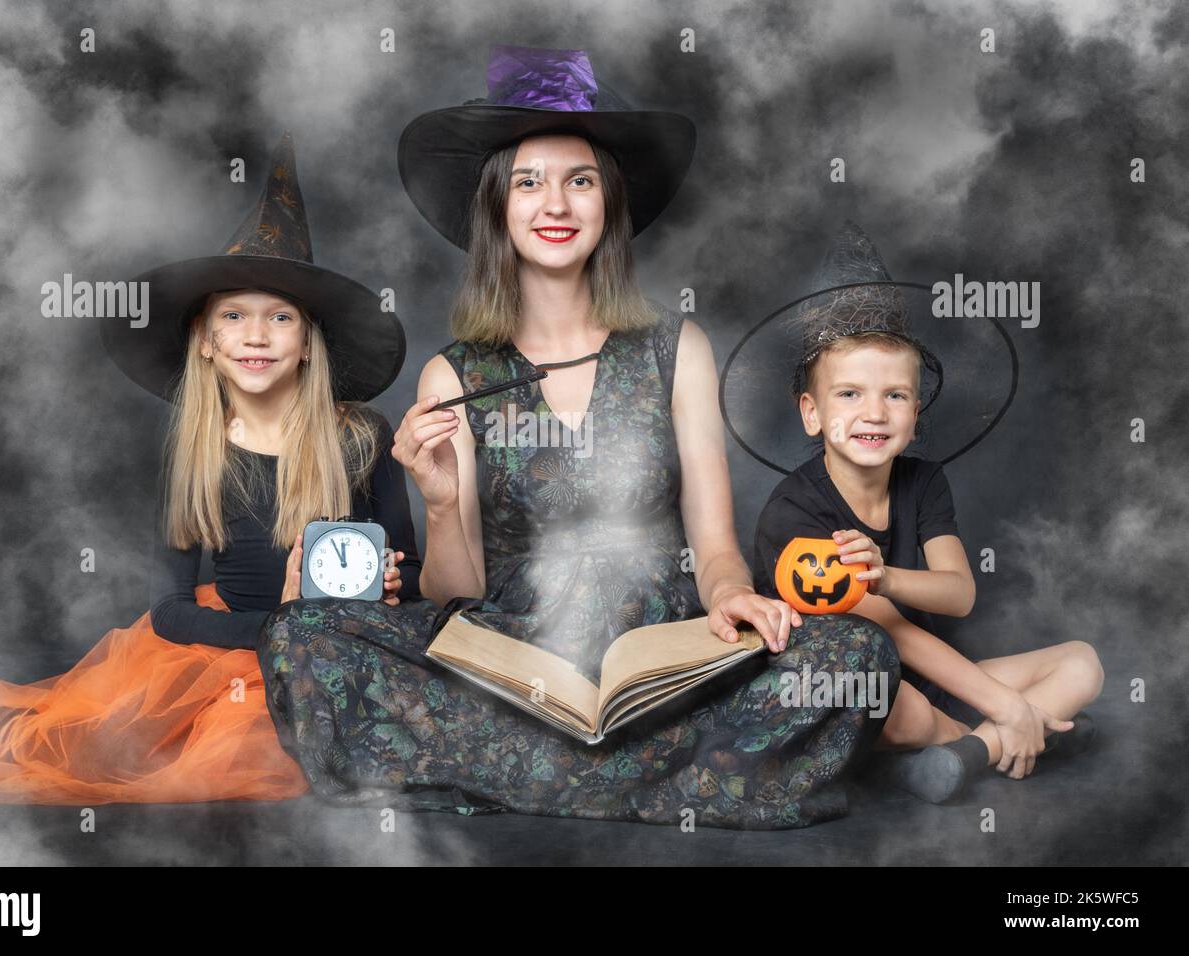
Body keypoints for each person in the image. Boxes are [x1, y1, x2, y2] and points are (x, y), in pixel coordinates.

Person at [257, 45, 901, 829]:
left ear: (609, 204)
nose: (554, 203)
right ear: (497, 207)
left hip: (664, 658)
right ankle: (676, 783)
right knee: (304, 635)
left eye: (580, 181)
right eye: (528, 182)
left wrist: (732, 594)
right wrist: (441, 497)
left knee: (852, 656)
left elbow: (716, 543)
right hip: (517, 663)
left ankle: (540, 779)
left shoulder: (677, 348)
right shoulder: (453, 375)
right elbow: (453, 596)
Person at [0, 132, 424, 804]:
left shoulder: (364, 438)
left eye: (280, 318)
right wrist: (277, 626)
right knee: (99, 744)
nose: (256, 337)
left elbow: (413, 575)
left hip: (341, 655)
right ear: (205, 341)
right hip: (232, 654)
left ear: (310, 345)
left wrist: (394, 583)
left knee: (349, 754)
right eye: (234, 316)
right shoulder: (199, 453)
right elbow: (170, 611)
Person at [751, 221, 1103, 804]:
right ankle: (1005, 737)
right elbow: (890, 630)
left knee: (1083, 663)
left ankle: (969, 755)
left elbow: (958, 593)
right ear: (811, 413)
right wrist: (1007, 705)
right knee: (902, 711)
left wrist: (886, 577)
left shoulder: (925, 480)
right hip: (854, 687)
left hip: (937, 675)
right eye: (850, 394)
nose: (875, 412)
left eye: (895, 395)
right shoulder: (793, 510)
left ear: (916, 413)